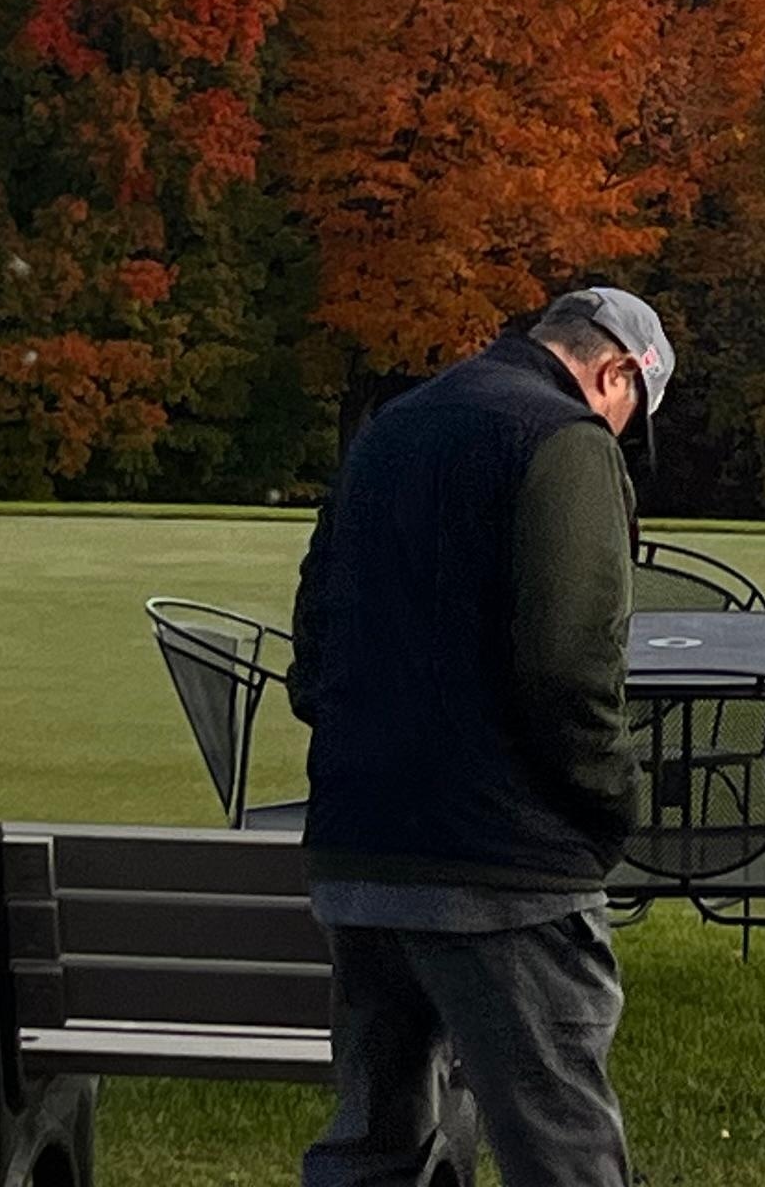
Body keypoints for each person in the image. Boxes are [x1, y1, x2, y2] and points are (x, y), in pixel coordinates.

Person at [291, 286, 673, 1187]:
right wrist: (615, 804)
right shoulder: (564, 441)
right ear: (615, 371)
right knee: (561, 1151)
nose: (619, 436)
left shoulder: (390, 428)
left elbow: (314, 648)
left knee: (372, 1150)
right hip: (505, 866)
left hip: (359, 854)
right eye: (629, 414)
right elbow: (570, 670)